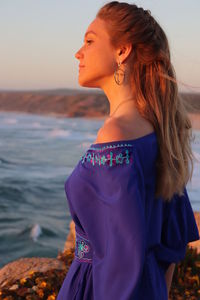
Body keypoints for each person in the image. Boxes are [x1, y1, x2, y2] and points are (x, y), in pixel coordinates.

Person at [57, 1, 199, 299]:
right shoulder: (159, 132)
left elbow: (120, 265)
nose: (78, 52)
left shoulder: (115, 134)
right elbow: (172, 245)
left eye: (90, 40)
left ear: (122, 50)